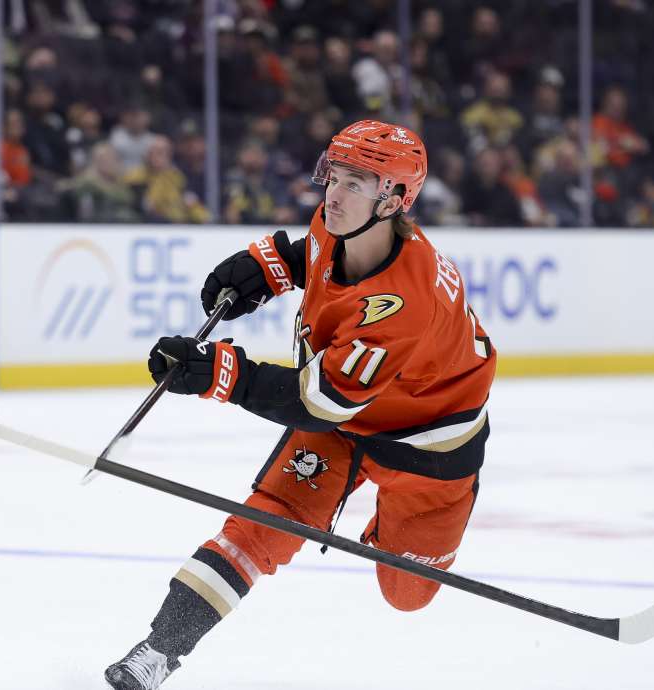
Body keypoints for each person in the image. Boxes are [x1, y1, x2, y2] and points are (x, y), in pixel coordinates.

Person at [104, 120, 496, 689]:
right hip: (343, 423)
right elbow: (309, 255)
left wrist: (220, 371)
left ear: (394, 199)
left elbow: (320, 402)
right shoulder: (337, 224)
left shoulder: (404, 303)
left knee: (406, 595)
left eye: (356, 183)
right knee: (258, 527)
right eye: (334, 176)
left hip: (430, 449)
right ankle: (159, 651)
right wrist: (264, 269)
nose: (333, 194)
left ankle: (392, 531)